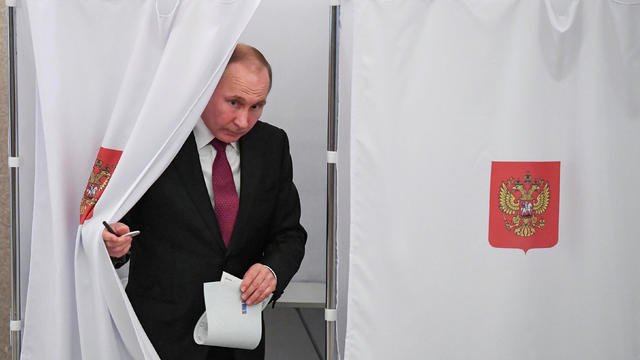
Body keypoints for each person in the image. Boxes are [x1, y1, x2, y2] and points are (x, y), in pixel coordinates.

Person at [102, 44, 307, 360]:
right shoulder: (154, 142)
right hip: (160, 337)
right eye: (234, 103)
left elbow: (290, 235)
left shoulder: (272, 144)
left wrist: (272, 271)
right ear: (204, 87)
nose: (243, 120)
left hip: (239, 336)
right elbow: (115, 229)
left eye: (257, 106)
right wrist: (114, 246)